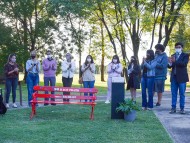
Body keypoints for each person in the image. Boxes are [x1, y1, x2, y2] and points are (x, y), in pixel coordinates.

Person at [168, 42, 189, 114]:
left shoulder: (185, 55)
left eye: (179, 47)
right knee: (174, 93)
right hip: (174, 77)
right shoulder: (173, 55)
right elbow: (170, 66)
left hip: (182, 78)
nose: (177, 48)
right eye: (176, 47)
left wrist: (175, 61)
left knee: (182, 93)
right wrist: (169, 62)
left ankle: (182, 108)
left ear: (182, 48)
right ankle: (173, 108)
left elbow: (184, 64)